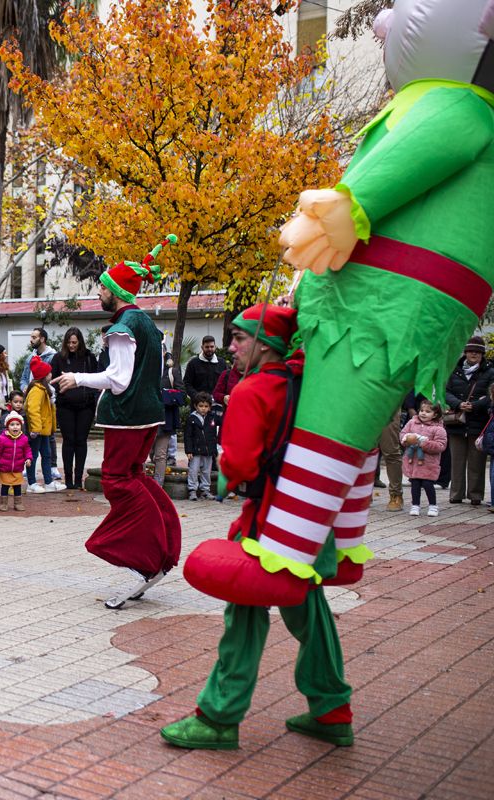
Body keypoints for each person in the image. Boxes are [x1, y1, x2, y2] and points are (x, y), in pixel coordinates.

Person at [185, 0, 494, 611]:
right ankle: (343, 542)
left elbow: (419, 154)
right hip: (383, 300)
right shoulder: (442, 101)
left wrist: (348, 208)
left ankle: (284, 557)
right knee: (350, 429)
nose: (382, 28)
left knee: (330, 422)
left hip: (382, 302)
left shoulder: (454, 105)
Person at [164, 303, 360, 751]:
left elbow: (238, 464)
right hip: (311, 515)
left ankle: (218, 717)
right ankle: (332, 710)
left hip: (269, 520)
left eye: (241, 338)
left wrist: (227, 471)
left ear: (266, 344)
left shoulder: (253, 391)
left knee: (245, 613)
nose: (231, 347)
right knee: (310, 611)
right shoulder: (307, 381)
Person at [53, 235, 181, 609]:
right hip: (147, 415)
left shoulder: (124, 325)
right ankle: (160, 545)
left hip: (128, 416)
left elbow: (119, 378)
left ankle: (147, 556)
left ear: (116, 291)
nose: (99, 293)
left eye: (103, 287)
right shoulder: (144, 323)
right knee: (134, 477)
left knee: (117, 481)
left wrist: (78, 378)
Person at [444, 336, 492, 505]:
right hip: (457, 421)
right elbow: (445, 392)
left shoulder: (490, 371)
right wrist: (458, 404)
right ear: (465, 352)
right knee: (456, 460)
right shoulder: (453, 370)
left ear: (482, 354)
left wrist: (476, 405)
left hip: (478, 420)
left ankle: (476, 495)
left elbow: (491, 394)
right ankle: (456, 494)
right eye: (471, 351)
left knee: (476, 461)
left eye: (478, 352)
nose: (474, 354)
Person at [51, 327, 100, 490]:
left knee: (81, 441)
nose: (71, 345)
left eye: (74, 342)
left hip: (86, 405)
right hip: (65, 406)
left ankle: (79, 478)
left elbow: (96, 379)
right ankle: (68, 478)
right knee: (68, 441)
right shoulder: (58, 358)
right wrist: (62, 391)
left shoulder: (89, 357)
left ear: (80, 342)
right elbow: (53, 380)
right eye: (69, 342)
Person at [402, 400, 447, 517]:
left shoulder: (438, 429)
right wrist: (406, 438)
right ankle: (415, 505)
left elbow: (441, 445)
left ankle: (433, 505)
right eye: (422, 410)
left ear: (435, 414)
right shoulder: (412, 423)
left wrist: (424, 442)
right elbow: (403, 433)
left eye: (428, 411)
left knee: (428, 484)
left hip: (429, 463)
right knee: (415, 484)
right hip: (413, 461)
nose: (423, 413)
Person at [24, 356, 58, 493]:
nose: (51, 374)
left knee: (47, 454)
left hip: (43, 430)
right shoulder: (37, 390)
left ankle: (48, 481)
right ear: (44, 375)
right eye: (49, 372)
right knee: (33, 455)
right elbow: (32, 409)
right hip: (37, 430)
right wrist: (36, 428)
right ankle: (31, 483)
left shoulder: (44, 389)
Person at [152, 351, 185, 485]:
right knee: (145, 453)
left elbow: (182, 394)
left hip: (165, 418)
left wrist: (163, 395)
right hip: (147, 418)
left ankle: (157, 485)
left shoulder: (172, 372)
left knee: (160, 454)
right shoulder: (144, 369)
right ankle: (143, 484)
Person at [0, 411, 31, 512]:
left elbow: (27, 450)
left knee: (17, 486)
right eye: (12, 425)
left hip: (17, 468)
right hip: (5, 468)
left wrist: (28, 458)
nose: (15, 427)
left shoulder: (24, 439)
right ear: (7, 427)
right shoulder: (2, 438)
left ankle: (18, 503)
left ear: (21, 426)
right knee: (5, 486)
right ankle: (3, 503)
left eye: (17, 424)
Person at [184, 392, 217, 500]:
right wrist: (188, 450)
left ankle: (205, 490)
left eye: (206, 406)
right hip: (195, 450)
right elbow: (187, 436)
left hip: (208, 450)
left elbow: (213, 436)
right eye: (201, 406)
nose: (203, 409)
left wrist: (214, 450)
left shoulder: (211, 418)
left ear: (210, 407)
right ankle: (192, 490)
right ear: (195, 406)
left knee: (207, 471)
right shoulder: (191, 419)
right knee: (193, 470)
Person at [183, 335, 227, 404]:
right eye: (207, 347)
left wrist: (222, 397)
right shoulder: (193, 363)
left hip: (217, 404)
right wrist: (197, 396)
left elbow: (226, 382)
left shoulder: (222, 363)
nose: (209, 349)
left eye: (212, 347)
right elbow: (186, 383)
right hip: (197, 405)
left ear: (215, 347)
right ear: (202, 347)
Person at [17, 327, 56, 392]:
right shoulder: (30, 358)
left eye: (34, 338)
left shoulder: (53, 357)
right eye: (31, 337)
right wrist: (24, 387)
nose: (31, 340)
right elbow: (24, 379)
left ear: (42, 339)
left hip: (46, 396)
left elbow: (55, 380)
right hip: (31, 395)